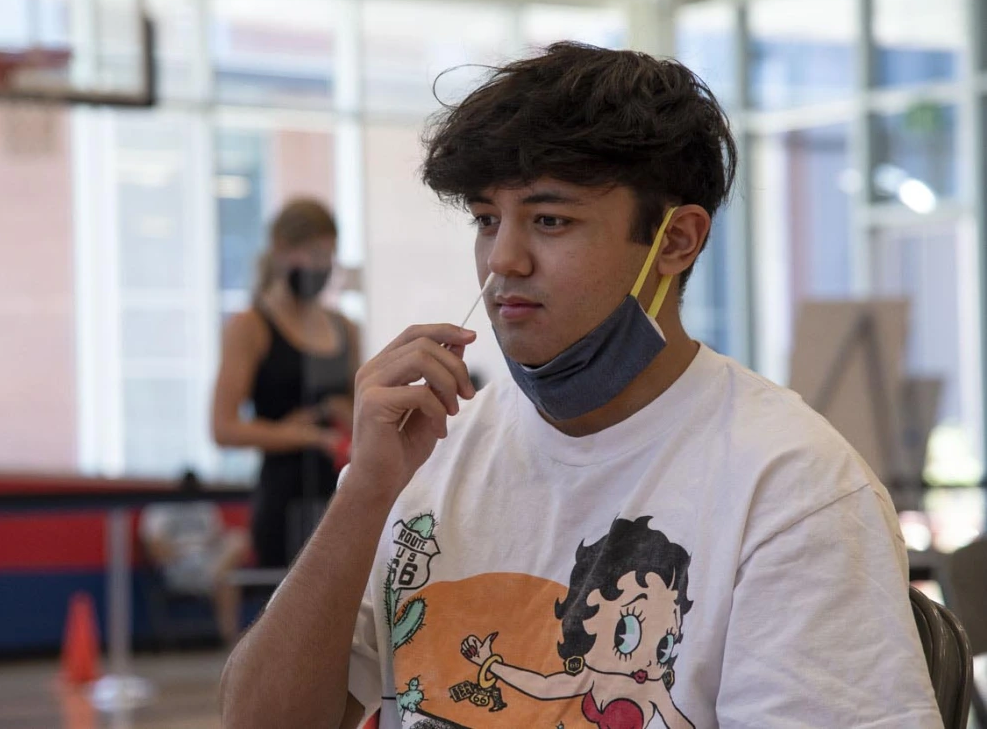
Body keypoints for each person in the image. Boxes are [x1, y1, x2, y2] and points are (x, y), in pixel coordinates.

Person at [219, 44, 942, 729]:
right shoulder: (428, 453)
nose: (503, 261)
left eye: (550, 220)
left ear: (678, 241)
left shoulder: (790, 488)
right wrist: (364, 496)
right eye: (485, 220)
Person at [212, 198, 358, 570]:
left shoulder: (345, 327)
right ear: (281, 252)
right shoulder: (251, 327)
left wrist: (344, 414)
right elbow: (224, 428)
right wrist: (307, 436)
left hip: (341, 493)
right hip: (284, 498)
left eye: (329, 255)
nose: (321, 266)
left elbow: (365, 416)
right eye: (313, 254)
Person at [139, 497, 249, 646]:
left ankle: (211, 579)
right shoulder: (158, 508)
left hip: (209, 561)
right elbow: (155, 548)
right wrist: (185, 552)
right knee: (226, 578)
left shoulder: (204, 504)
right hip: (178, 565)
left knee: (238, 539)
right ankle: (212, 580)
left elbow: (217, 536)